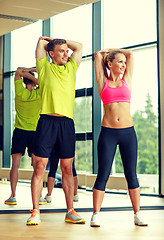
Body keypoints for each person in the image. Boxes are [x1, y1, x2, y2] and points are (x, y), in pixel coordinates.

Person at [26, 36, 85, 225]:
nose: (66, 54)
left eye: (67, 51)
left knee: (67, 168)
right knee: (40, 167)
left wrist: (63, 42)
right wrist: (48, 40)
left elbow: (80, 47)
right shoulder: (44, 68)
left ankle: (70, 211)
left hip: (66, 124)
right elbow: (41, 45)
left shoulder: (71, 68)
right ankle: (35, 211)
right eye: (61, 51)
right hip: (47, 122)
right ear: (51, 54)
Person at [90, 48, 148, 227]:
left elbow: (130, 54)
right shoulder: (103, 82)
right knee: (103, 174)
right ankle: (96, 214)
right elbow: (97, 56)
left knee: (131, 174)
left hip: (128, 133)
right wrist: (105, 53)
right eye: (119, 62)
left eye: (124, 62)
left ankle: (137, 214)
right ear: (110, 64)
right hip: (108, 133)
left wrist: (114, 51)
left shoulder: (127, 80)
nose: (123, 65)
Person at [4, 67, 40, 205]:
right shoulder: (39, 93)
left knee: (15, 166)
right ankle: (39, 195)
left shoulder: (19, 92)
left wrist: (28, 70)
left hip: (20, 131)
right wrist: (35, 74)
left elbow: (18, 71)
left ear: (24, 81)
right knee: (37, 167)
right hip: (35, 132)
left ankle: (13, 195)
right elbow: (39, 82)